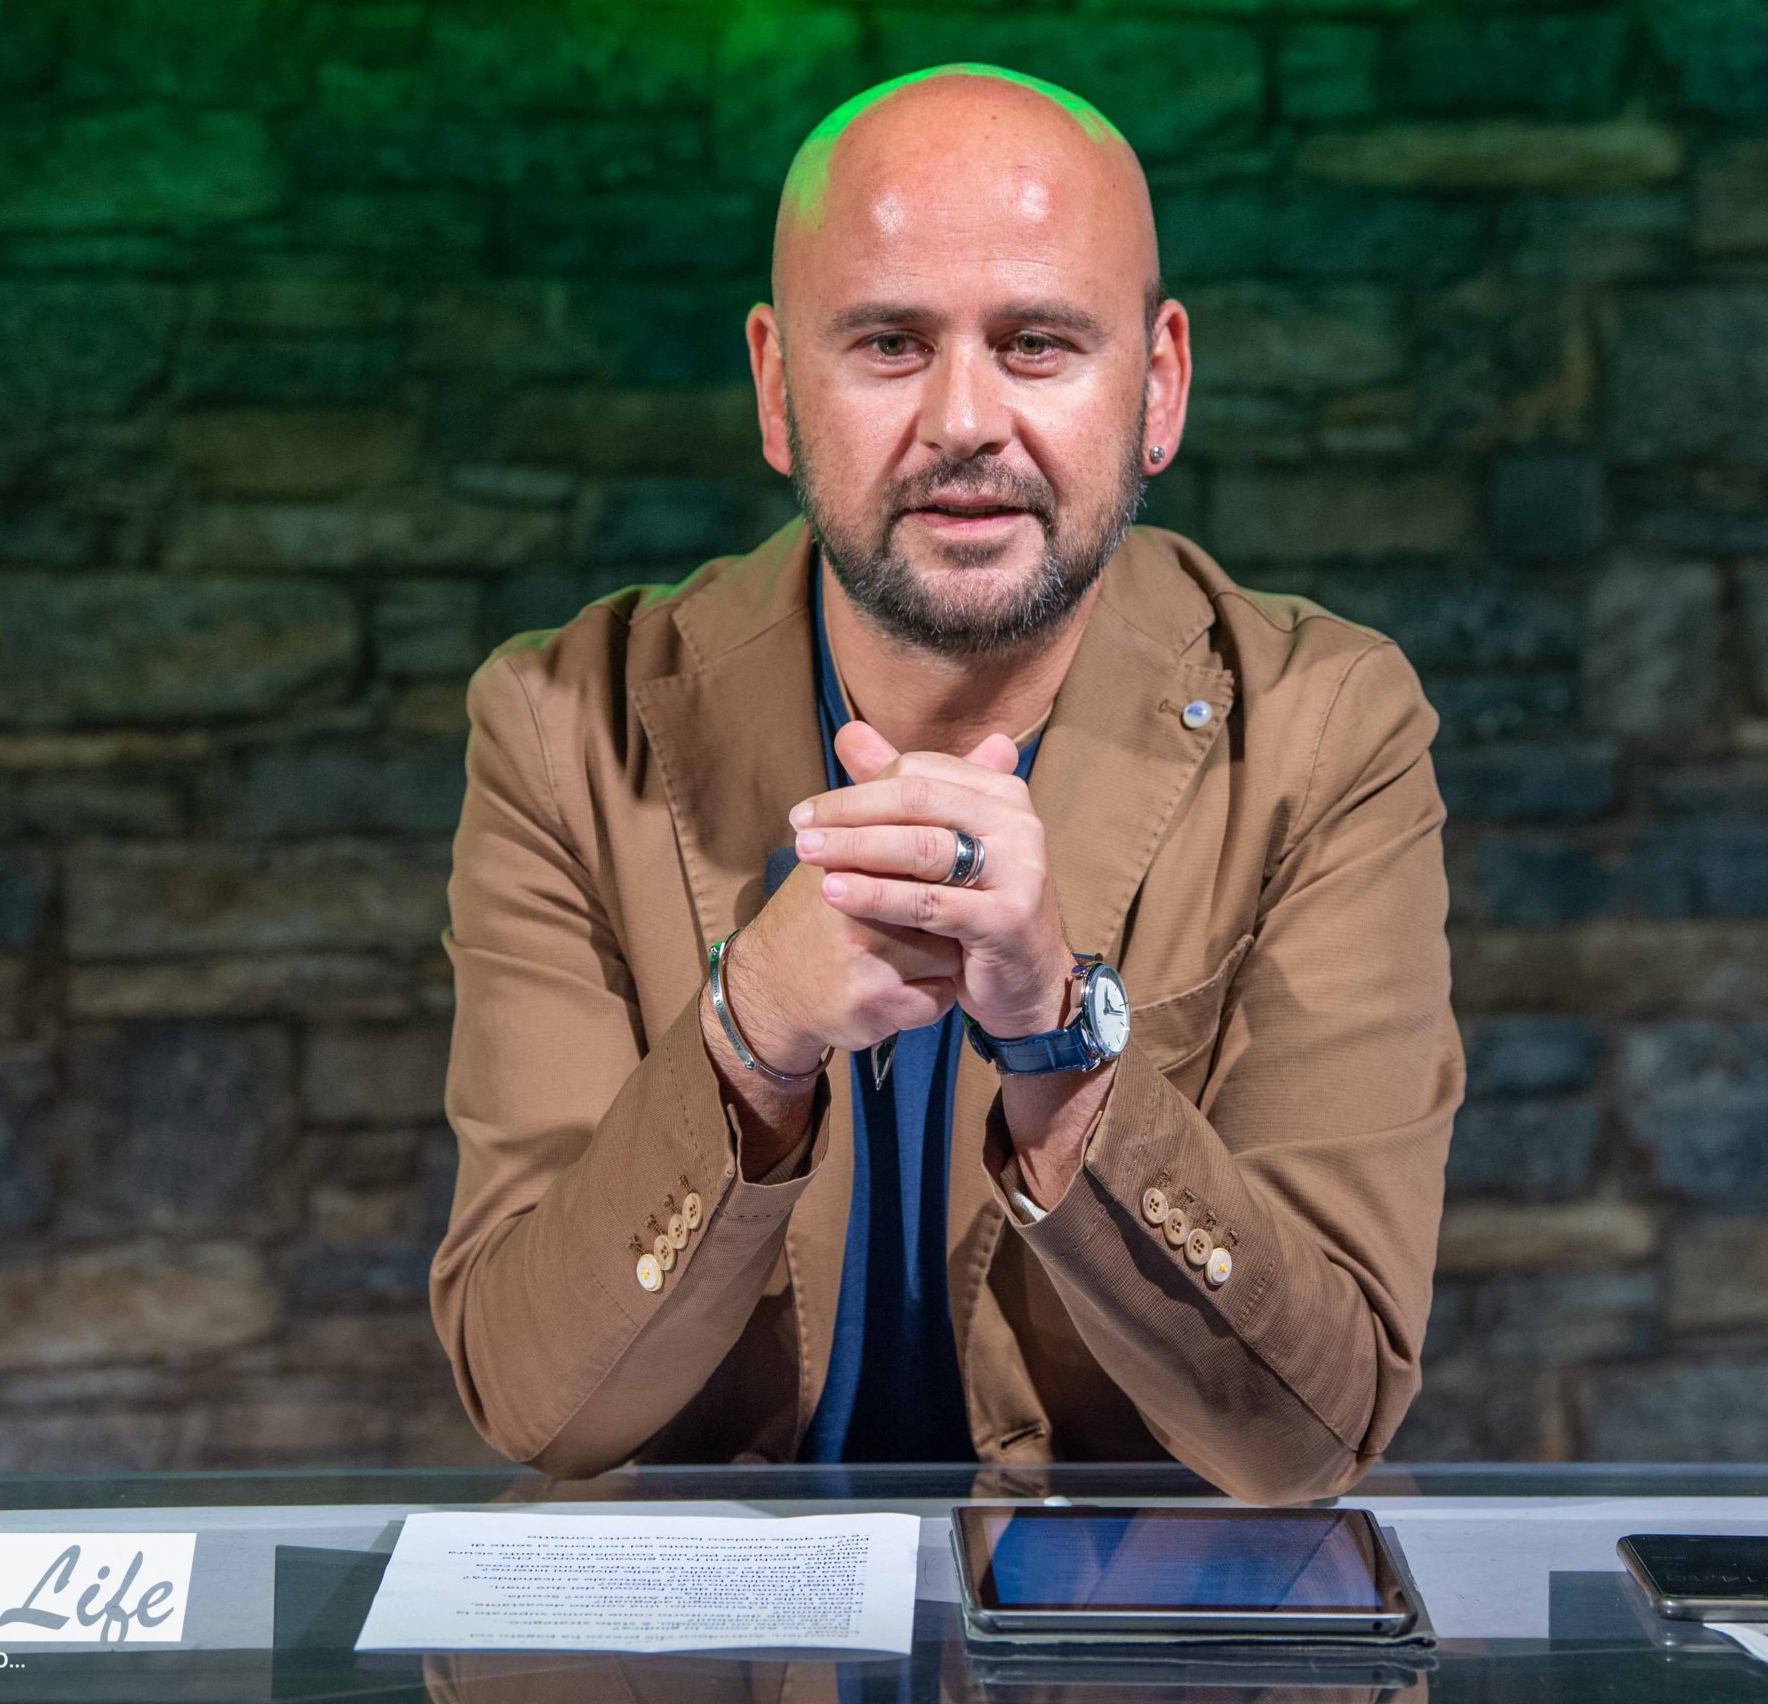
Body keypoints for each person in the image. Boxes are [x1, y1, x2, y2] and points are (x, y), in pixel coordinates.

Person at [428, 62, 1462, 1506]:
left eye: (1037, 343)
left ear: (1158, 387)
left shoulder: (1324, 728)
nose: (965, 418)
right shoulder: (564, 727)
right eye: (890, 343)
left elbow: (1314, 1426)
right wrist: (750, 1032)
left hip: (1122, 1623)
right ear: (777, 389)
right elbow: (538, 1401)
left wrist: (1063, 1051)